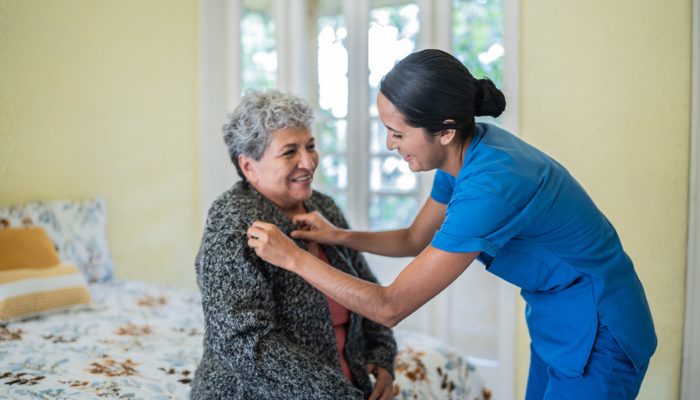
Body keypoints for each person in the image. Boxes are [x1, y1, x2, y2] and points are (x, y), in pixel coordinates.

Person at [246, 49, 657, 400]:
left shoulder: (492, 184)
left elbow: (391, 307)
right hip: (557, 318)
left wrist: (294, 259)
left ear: (443, 132)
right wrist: (339, 236)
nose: (390, 144)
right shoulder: (460, 155)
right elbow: (415, 238)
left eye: (397, 133)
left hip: (599, 326)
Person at [191, 90, 397, 400]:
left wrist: (383, 357)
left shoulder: (323, 208)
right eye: (289, 152)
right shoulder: (232, 222)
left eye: (311, 146)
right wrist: (337, 395)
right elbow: (244, 341)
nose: (308, 162)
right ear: (248, 166)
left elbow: (364, 287)